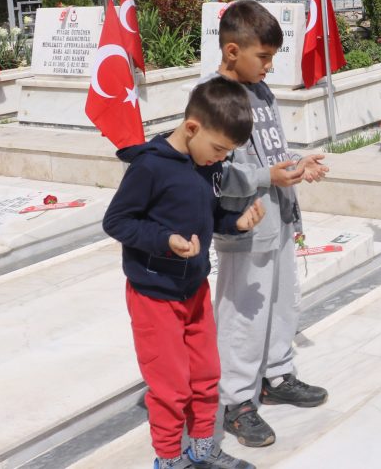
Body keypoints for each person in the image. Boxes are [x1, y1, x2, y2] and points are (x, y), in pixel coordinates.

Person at [103, 77, 266, 469]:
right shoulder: (151, 166)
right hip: (154, 296)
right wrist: (165, 240)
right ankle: (170, 457)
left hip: (194, 290)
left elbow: (206, 216)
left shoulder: (203, 163)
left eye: (227, 153)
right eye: (218, 149)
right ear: (192, 127)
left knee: (206, 374)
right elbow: (117, 221)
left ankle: (203, 449)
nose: (220, 159)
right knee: (171, 386)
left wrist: (236, 222)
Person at [202, 0, 331, 448]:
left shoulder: (261, 90)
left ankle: (276, 374)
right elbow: (212, 168)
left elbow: (270, 151)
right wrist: (265, 177)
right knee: (243, 313)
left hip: (278, 214)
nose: (270, 67)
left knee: (280, 303)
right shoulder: (212, 96)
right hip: (245, 223)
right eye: (264, 57)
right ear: (233, 50)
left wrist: (296, 164)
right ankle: (236, 399)